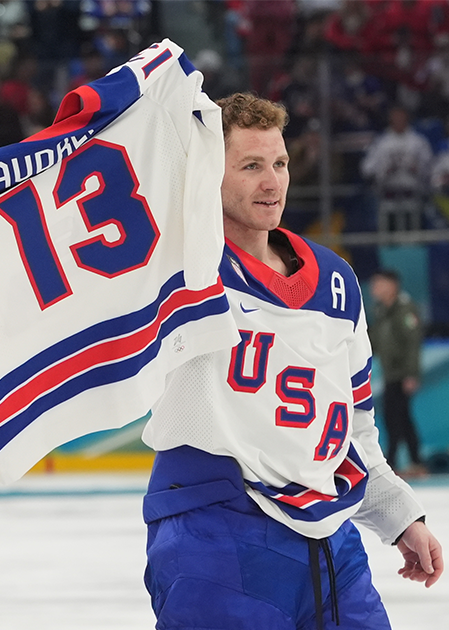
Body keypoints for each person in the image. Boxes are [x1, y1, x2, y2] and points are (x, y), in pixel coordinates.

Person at [141, 93, 442, 630]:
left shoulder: (336, 281)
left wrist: (399, 517)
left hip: (331, 541)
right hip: (216, 533)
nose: (272, 181)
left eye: (279, 163)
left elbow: (355, 430)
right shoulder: (175, 266)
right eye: (250, 166)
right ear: (210, 173)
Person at [368, 269, 426, 478]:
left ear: (392, 285)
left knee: (396, 417)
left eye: (378, 283)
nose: (374, 288)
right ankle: (414, 462)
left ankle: (393, 463)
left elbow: (412, 343)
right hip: (391, 373)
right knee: (400, 418)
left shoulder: (405, 310)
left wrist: (411, 374)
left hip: (402, 373)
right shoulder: (382, 311)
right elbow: (374, 341)